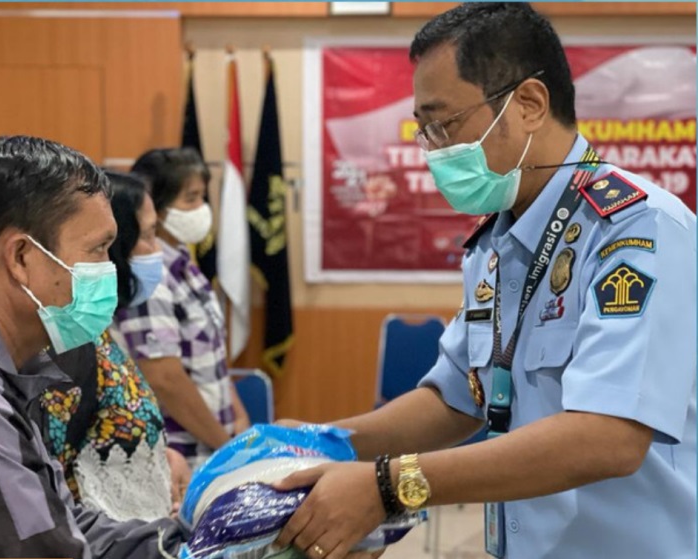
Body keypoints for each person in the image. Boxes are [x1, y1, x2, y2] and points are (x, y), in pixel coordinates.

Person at [273, 4, 696, 559]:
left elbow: (609, 437)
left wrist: (389, 484)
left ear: (528, 105)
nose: (434, 151)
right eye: (424, 131)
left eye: (444, 124)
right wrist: (317, 442)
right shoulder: (496, 242)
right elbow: (457, 397)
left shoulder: (635, 230)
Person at [0, 136, 186, 557]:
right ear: (21, 259)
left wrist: (188, 542)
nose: (110, 270)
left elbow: (61, 524)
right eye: (98, 249)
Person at [38, 170, 191, 522]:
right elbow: (53, 482)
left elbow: (106, 435)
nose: (158, 251)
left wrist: (159, 460)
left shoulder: (96, 331)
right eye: (149, 235)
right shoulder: (68, 344)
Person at [115, 147, 250, 469]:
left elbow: (211, 354)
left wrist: (239, 420)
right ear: (156, 207)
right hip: (182, 457)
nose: (201, 209)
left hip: (214, 444)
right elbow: (164, 378)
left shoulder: (181, 264)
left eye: (203, 197)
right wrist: (225, 446)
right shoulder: (149, 275)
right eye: (190, 199)